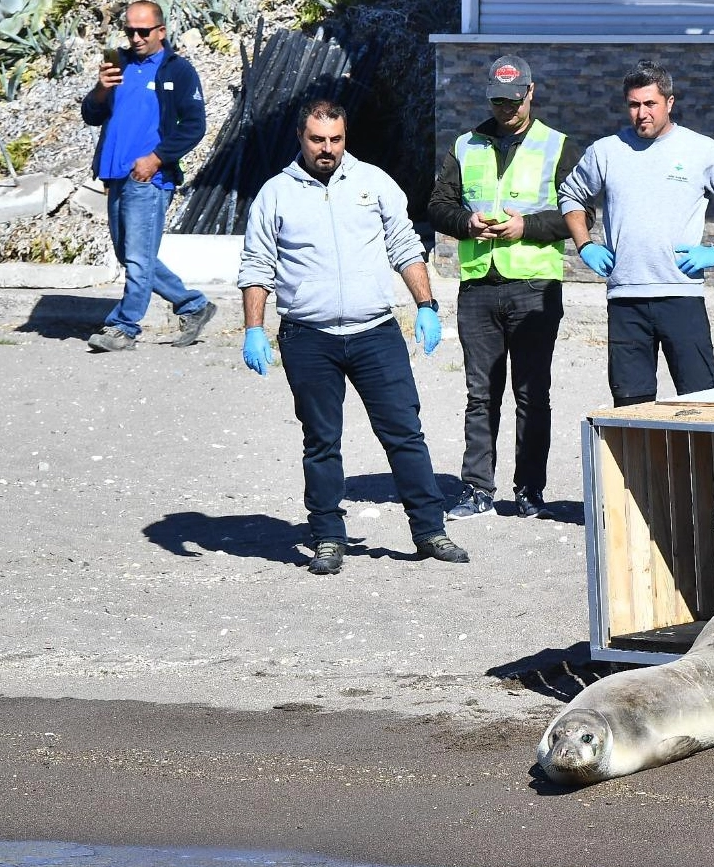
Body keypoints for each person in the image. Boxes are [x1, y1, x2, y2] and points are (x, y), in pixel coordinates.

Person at [237, 100, 468, 574]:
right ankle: (326, 536)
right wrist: (253, 328)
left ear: (346, 137)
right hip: (308, 336)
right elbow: (257, 263)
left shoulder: (373, 182)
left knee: (405, 434)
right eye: (318, 140)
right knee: (321, 440)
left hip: (374, 333)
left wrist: (425, 306)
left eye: (336, 139)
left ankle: (430, 531)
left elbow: (404, 244)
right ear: (300, 137)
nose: (327, 149)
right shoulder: (275, 194)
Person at [427, 55, 584, 521]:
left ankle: (530, 491)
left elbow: (579, 217)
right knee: (481, 394)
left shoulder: (557, 146)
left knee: (532, 395)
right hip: (479, 285)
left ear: (531, 93)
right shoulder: (465, 145)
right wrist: (466, 222)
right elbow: (438, 205)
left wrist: (527, 227)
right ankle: (477, 488)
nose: (506, 109)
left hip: (534, 286)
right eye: (498, 100)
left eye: (514, 101)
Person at [559, 61, 714, 406]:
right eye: (634, 104)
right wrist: (585, 245)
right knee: (631, 407)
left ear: (669, 102)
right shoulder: (606, 152)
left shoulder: (700, 150)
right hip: (626, 299)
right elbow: (570, 195)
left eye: (650, 104)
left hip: (680, 295)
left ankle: (699, 464)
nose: (642, 113)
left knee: (702, 402)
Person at [80, 0, 217, 353]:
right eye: (130, 31)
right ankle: (193, 305)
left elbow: (194, 126)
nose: (136, 38)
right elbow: (92, 115)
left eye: (144, 31)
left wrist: (156, 159)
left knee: (138, 259)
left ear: (161, 31)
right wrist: (100, 89)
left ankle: (123, 327)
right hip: (115, 176)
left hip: (148, 179)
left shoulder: (179, 71)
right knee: (132, 256)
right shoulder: (119, 65)